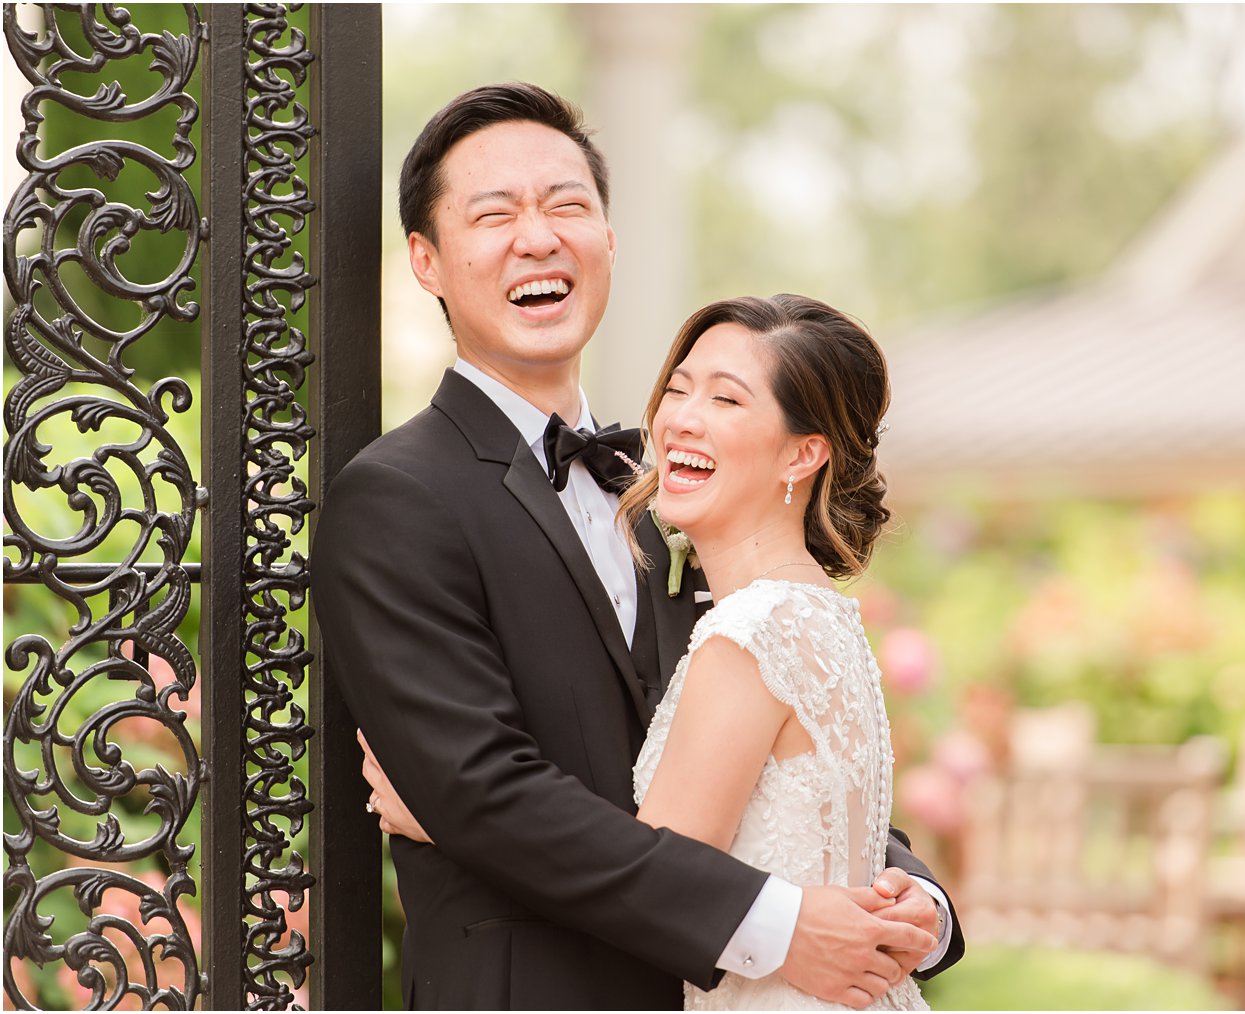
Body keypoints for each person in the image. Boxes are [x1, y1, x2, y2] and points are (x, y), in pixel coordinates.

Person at [310, 82, 963, 1010]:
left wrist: (916, 904)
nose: (538, 236)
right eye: (495, 215)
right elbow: (485, 792)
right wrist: (776, 921)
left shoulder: (665, 497)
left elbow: (763, 754)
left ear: (608, 241)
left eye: (567, 205)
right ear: (426, 260)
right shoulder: (398, 498)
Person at [627, 293, 931, 1009]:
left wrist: (452, 822)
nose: (683, 419)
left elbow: (648, 887)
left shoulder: (752, 633)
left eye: (727, 400)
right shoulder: (821, 616)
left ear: (803, 453)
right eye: (678, 389)